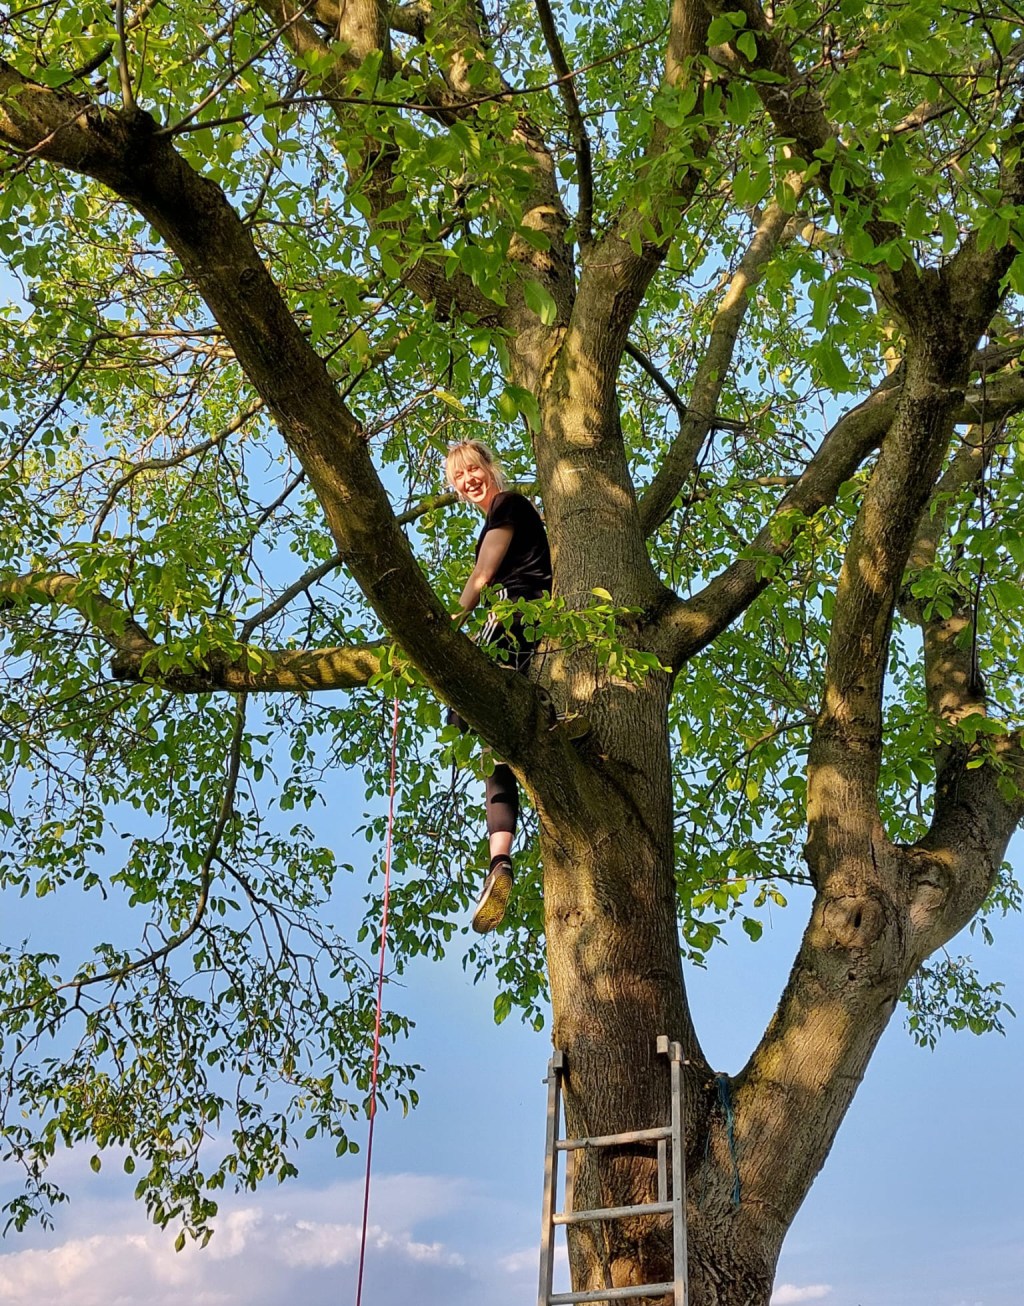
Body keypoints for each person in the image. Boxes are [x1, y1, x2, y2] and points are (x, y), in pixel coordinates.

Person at [445, 439, 552, 933]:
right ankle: (499, 862)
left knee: (470, 714)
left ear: (489, 468)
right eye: (459, 478)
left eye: (473, 469)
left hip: (520, 614)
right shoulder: (498, 514)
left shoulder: (509, 505)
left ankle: (545, 717)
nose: (469, 480)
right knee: (494, 755)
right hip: (514, 621)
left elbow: (485, 575)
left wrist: (446, 624)